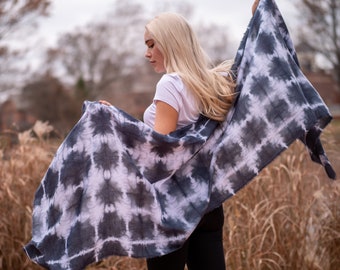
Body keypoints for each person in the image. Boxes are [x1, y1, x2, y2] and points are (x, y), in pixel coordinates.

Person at [100, 2, 260, 269]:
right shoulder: (213, 82)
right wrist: (258, 21)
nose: (146, 53)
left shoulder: (170, 84)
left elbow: (160, 148)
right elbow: (249, 62)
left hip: (171, 207)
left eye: (151, 44)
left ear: (170, 42)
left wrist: (116, 122)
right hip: (207, 204)